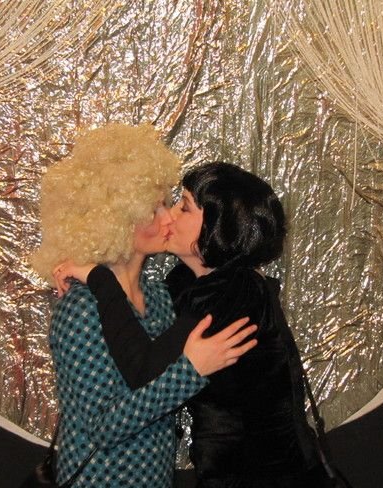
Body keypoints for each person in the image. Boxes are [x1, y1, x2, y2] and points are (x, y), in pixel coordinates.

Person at [55, 162, 329, 487]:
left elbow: (144, 370)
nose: (170, 216)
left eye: (183, 206)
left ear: (218, 226)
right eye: (159, 208)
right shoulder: (180, 286)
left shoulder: (233, 292)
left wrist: (100, 279)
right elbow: (110, 414)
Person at [32, 126, 257, 487]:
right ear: (116, 222)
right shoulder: (81, 310)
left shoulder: (159, 298)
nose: (169, 218)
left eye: (168, 204)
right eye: (154, 210)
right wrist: (192, 372)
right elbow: (103, 428)